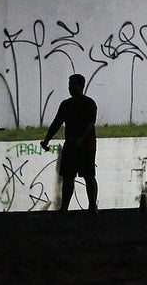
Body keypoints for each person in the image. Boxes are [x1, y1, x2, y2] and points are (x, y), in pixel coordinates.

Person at [41, 74, 98, 212]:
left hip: (84, 146)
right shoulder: (74, 104)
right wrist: (47, 139)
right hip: (78, 145)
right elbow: (57, 123)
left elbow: (89, 124)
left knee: (86, 176)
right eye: (69, 85)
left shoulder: (83, 104)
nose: (70, 88)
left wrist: (80, 139)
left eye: (72, 85)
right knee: (72, 177)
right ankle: (71, 207)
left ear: (80, 86)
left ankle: (89, 206)